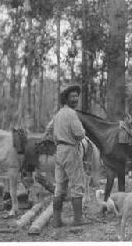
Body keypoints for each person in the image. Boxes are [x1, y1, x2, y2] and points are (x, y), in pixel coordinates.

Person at [45, 84, 87, 227]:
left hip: (59, 151)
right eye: (73, 96)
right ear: (66, 98)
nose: (75, 99)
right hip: (70, 150)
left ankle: (56, 221)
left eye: (77, 96)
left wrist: (59, 134)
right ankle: (78, 220)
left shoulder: (58, 114)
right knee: (77, 185)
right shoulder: (71, 113)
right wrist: (81, 133)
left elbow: (48, 128)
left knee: (60, 187)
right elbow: (80, 133)